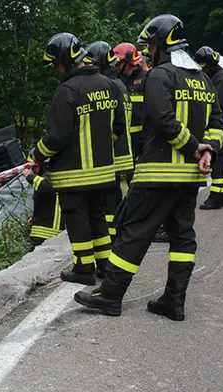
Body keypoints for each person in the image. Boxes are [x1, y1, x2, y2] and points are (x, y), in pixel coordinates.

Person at [74, 14, 223, 321]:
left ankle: (111, 295)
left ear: (161, 44)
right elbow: (218, 126)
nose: (148, 51)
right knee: (182, 235)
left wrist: (195, 147)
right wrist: (207, 151)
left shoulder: (160, 76)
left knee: (134, 230)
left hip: (158, 173)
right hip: (190, 178)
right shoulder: (204, 80)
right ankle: (174, 300)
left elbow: (163, 120)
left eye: (151, 45)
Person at [33, 32, 127, 286]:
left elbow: (56, 137)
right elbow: (119, 126)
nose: (55, 69)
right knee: (98, 218)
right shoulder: (108, 85)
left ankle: (83, 268)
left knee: (77, 220)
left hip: (74, 173)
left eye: (55, 63)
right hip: (104, 172)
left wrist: (37, 155)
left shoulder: (66, 91)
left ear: (64, 59)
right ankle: (105, 265)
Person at [114, 42, 168, 243]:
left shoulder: (147, 79)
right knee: (130, 186)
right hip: (127, 144)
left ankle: (161, 225)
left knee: (151, 186)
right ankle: (132, 223)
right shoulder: (120, 81)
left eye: (119, 62)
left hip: (145, 142)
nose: (117, 66)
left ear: (129, 60)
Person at [84, 41, 133, 246]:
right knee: (117, 199)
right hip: (123, 152)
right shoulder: (119, 84)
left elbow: (113, 125)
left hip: (115, 154)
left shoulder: (110, 85)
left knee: (112, 203)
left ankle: (116, 240)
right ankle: (118, 236)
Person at [194, 46, 223, 210]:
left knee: (216, 162)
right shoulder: (217, 75)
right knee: (220, 160)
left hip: (219, 127)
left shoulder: (222, 77)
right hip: (219, 126)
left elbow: (215, 102)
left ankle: (216, 197)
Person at [23, 156, 63, 249]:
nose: (33, 170)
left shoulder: (50, 174)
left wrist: (29, 176)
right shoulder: (44, 175)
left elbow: (45, 186)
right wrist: (36, 216)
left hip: (48, 232)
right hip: (42, 229)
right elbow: (46, 200)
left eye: (33, 167)